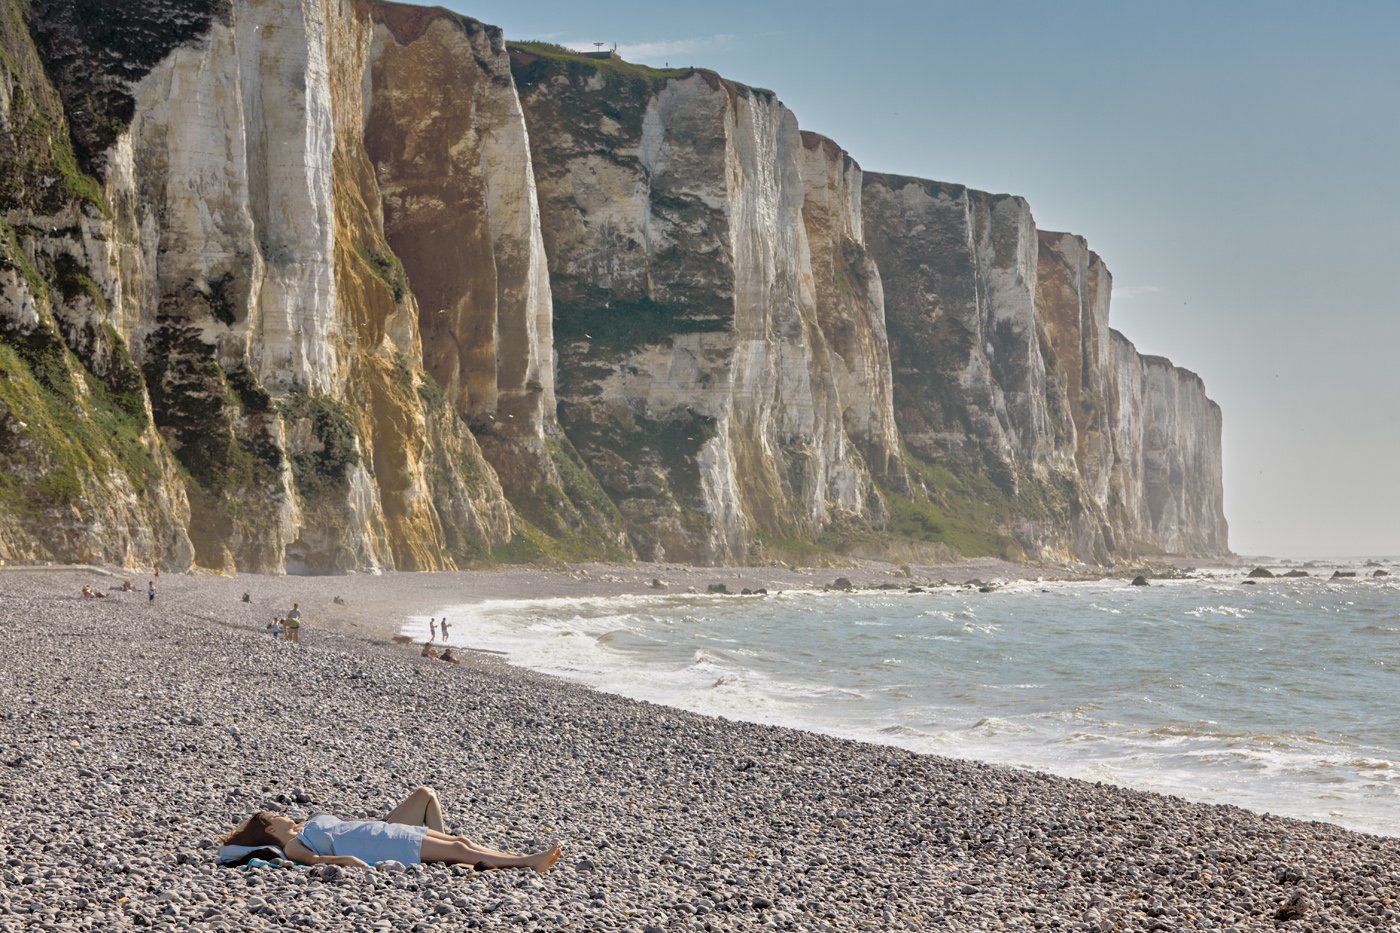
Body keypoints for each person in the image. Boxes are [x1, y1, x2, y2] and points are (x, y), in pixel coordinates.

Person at [221, 786, 560, 871]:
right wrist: (349, 861)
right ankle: (526, 861)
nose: (282, 814)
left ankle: (515, 857)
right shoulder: (295, 846)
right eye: (275, 816)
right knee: (458, 850)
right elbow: (318, 863)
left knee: (460, 840)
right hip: (382, 846)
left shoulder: (304, 827)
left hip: (379, 832)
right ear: (269, 831)